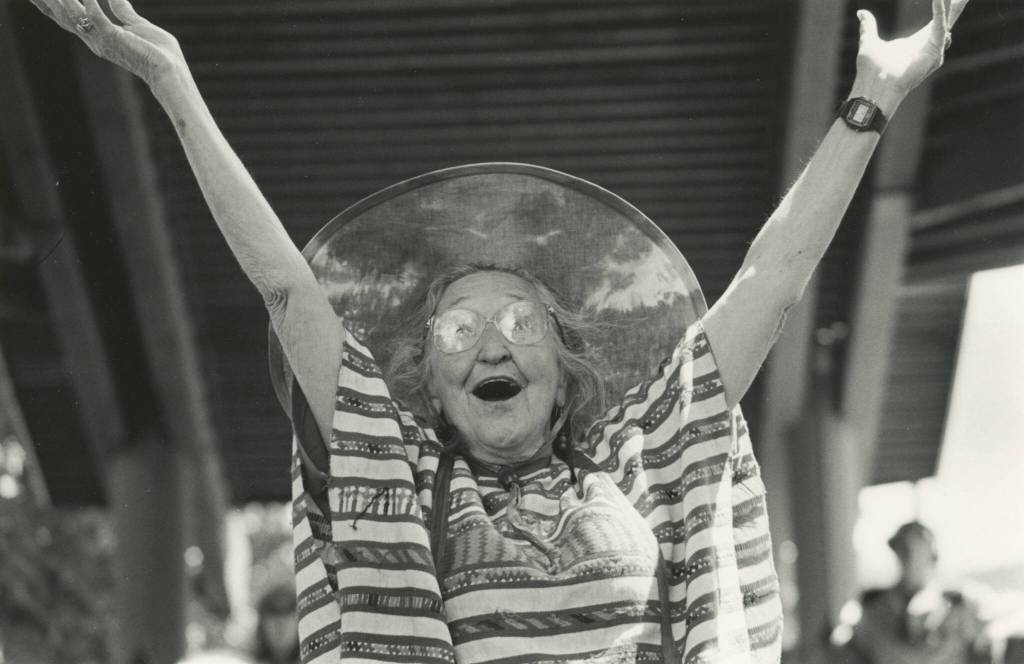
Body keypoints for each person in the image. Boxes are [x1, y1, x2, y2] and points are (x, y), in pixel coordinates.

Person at [25, 0, 971, 661]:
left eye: (522, 321)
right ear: (429, 390)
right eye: (458, 329)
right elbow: (284, 290)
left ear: (563, 367)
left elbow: (774, 278)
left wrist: (871, 103)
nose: (492, 342)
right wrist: (172, 82)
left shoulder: (642, 454)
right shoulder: (398, 472)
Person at [833, 522, 990, 663]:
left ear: (932, 556)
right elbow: (842, 645)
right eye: (904, 551)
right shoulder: (871, 607)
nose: (910, 559)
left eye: (917, 551)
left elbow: (988, 636)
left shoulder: (959, 604)